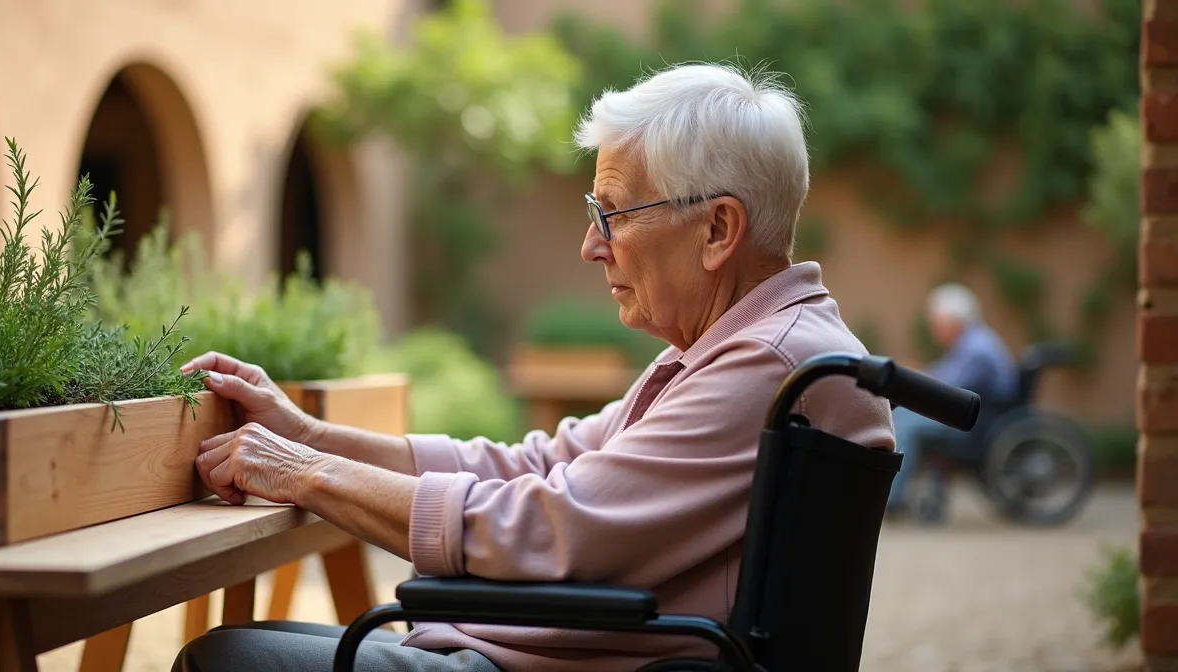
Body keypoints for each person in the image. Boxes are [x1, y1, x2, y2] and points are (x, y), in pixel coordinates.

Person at [171, 62, 894, 672]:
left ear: (716, 228)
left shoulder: (766, 365)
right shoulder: (747, 350)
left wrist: (304, 474)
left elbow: (552, 529)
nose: (591, 244)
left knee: (226, 659)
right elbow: (541, 463)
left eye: (613, 213)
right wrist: (312, 436)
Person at [884, 282, 1019, 518]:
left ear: (953, 321)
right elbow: (949, 376)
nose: (935, 330)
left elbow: (947, 387)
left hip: (977, 423)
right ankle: (894, 495)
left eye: (938, 323)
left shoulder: (978, 349)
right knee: (903, 415)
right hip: (973, 414)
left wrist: (917, 375)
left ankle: (891, 500)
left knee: (906, 426)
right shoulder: (972, 342)